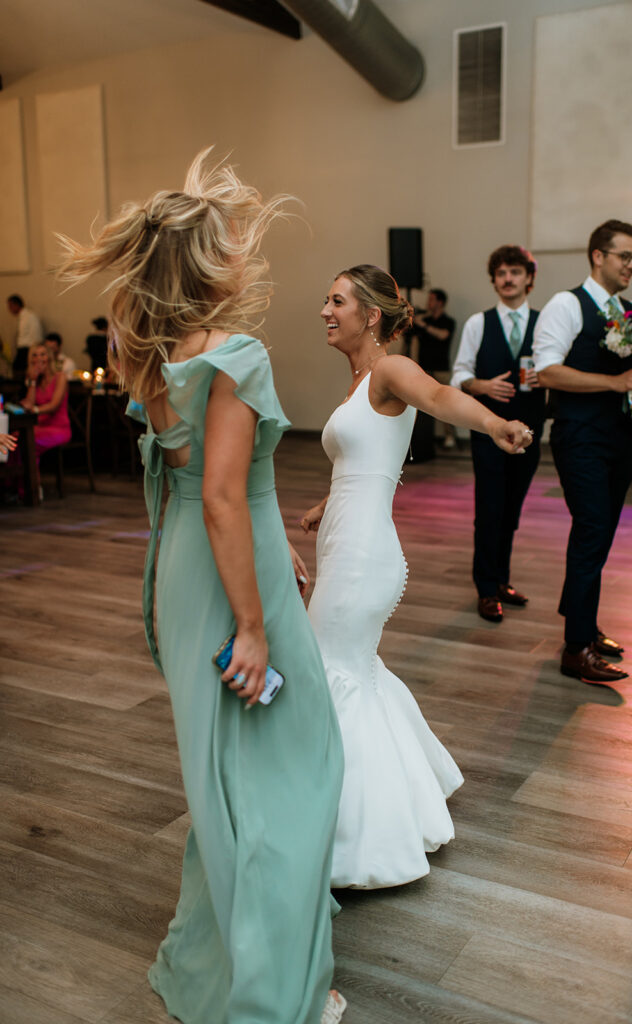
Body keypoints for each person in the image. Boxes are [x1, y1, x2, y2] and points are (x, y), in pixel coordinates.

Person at [57, 150, 346, 1024]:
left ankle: (219, 964)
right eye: (225, 245)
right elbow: (224, 495)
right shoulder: (238, 352)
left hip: (193, 563)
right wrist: (254, 625)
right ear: (206, 264)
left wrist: (272, 539)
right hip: (229, 572)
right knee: (299, 767)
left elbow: (207, 485)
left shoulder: (149, 356)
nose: (239, 258)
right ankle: (270, 993)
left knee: (225, 776)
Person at [300, 264, 532, 889]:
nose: (325, 310)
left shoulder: (390, 368)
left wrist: (493, 423)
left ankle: (352, 841)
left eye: (337, 300)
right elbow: (368, 460)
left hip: (363, 556)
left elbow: (439, 397)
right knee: (353, 672)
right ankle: (397, 803)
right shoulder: (357, 383)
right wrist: (328, 503)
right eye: (326, 299)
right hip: (346, 543)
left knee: (333, 674)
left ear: (371, 315)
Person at [533, 219, 632, 685]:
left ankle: (583, 620)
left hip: (618, 437)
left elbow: (625, 374)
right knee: (590, 530)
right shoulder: (566, 304)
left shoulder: (626, 311)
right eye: (625, 256)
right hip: (579, 437)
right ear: (598, 256)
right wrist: (615, 381)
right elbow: (546, 372)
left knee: (603, 531)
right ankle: (576, 648)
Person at [452, 245, 545, 622]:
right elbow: (458, 375)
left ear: (529, 278)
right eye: (501, 273)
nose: (508, 279)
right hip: (488, 434)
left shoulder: (545, 323)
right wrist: (483, 386)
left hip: (529, 435)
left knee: (512, 512)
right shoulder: (478, 323)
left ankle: (502, 580)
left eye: (515, 272)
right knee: (489, 510)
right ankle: (486, 589)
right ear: (494, 280)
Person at [410, 288, 457, 456]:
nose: (428, 303)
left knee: (446, 404)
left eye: (431, 300)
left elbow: (443, 335)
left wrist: (423, 324)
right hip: (424, 369)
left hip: (441, 368)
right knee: (421, 406)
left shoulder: (448, 321)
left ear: (440, 302)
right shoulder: (424, 319)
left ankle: (449, 437)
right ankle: (423, 439)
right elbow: (410, 336)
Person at [20, 342, 71, 462]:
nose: (39, 358)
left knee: (28, 442)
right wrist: (32, 381)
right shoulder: (34, 380)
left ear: (49, 357)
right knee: (14, 438)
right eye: (35, 355)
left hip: (59, 428)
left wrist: (35, 410)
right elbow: (30, 404)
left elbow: (54, 405)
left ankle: (32, 480)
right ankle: (15, 480)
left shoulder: (60, 377)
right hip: (39, 426)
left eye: (42, 354)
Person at [7, 294, 42, 377]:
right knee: (16, 371)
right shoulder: (19, 318)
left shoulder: (30, 316)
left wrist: (33, 354)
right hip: (21, 350)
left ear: (16, 305)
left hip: (28, 350)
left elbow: (36, 337)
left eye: (10, 306)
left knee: (24, 374)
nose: (9, 309)